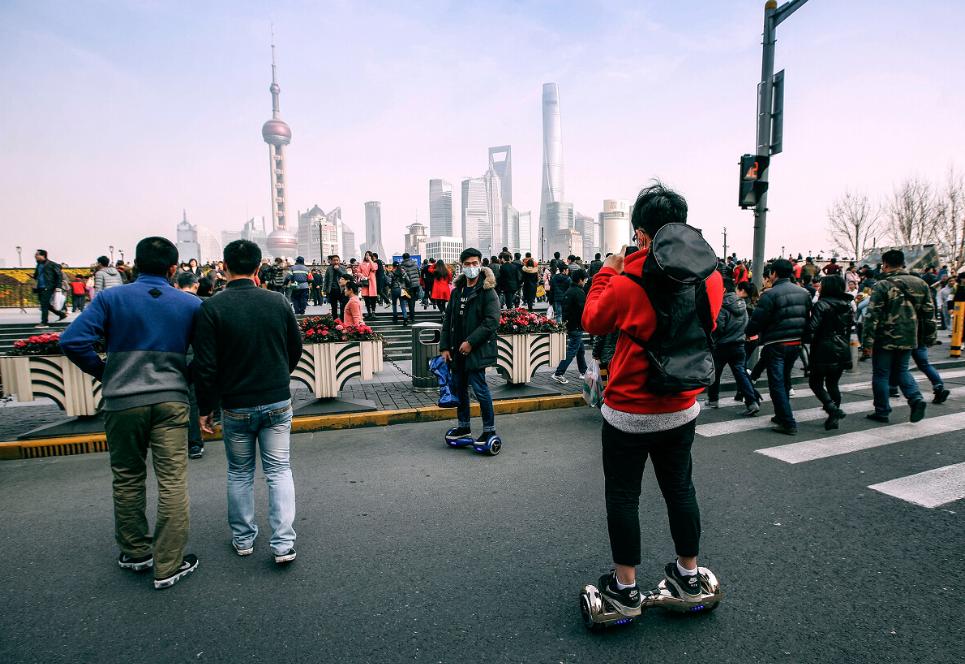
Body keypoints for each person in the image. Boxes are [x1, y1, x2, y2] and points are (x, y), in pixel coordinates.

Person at [582, 182, 724, 617]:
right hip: (682, 405)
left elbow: (592, 319)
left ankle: (624, 590)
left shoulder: (628, 279)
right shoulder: (710, 277)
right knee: (680, 489)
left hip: (629, 410)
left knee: (623, 496)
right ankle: (689, 573)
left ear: (640, 234)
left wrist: (608, 270)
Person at [60, 237, 202, 589]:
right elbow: (207, 355)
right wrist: (187, 377)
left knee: (127, 476)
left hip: (122, 401)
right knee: (172, 480)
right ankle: (169, 564)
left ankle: (136, 552)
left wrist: (104, 371)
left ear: (135, 265)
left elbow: (71, 341)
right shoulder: (191, 304)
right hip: (171, 400)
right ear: (174, 269)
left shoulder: (110, 298)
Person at [193, 240, 302, 564]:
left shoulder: (212, 308)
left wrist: (205, 408)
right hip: (276, 400)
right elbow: (294, 349)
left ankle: (243, 539)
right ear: (258, 268)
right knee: (279, 470)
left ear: (224, 267)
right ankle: (283, 545)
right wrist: (278, 375)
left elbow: (206, 365)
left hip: (235, 405)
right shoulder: (278, 302)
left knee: (239, 473)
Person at [861, 249, 934, 423]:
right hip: (910, 336)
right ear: (902, 263)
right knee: (902, 370)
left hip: (885, 338)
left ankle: (882, 410)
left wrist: (867, 343)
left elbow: (872, 316)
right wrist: (930, 337)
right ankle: (915, 398)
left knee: (881, 374)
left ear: (885, 264)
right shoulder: (920, 283)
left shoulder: (882, 285)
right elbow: (929, 312)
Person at [439, 248, 500, 444]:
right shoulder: (457, 292)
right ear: (462, 266)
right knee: (459, 389)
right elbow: (448, 321)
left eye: (475, 263)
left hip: (477, 350)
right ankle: (464, 426)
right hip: (457, 351)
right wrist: (445, 347)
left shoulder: (487, 291)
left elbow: (491, 321)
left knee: (480, 390)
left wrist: (471, 342)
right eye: (468, 264)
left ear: (480, 264)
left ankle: (489, 430)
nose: (472, 267)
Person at [745, 259, 811, 435]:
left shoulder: (770, 294)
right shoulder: (804, 293)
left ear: (774, 273)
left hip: (776, 344)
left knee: (777, 384)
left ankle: (788, 422)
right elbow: (807, 318)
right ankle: (781, 416)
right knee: (784, 380)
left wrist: (749, 332)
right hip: (795, 343)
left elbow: (757, 320)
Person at [705, 279, 760, 416]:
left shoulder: (723, 305)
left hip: (722, 346)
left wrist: (713, 339)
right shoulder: (743, 306)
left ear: (723, 290)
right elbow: (746, 325)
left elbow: (719, 327)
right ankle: (752, 401)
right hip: (739, 345)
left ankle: (713, 400)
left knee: (715, 373)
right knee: (740, 373)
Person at [805, 275, 853, 430]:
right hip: (842, 347)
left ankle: (832, 408)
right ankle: (834, 416)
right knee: (833, 383)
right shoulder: (847, 304)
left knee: (815, 382)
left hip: (823, 347)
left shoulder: (821, 305)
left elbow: (813, 328)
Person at [176, 271, 205, 459]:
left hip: (173, 357)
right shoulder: (201, 304)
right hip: (194, 357)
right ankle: (195, 443)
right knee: (193, 402)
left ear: (177, 285)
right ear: (196, 285)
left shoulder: (170, 303)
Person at [550, 269, 588, 383]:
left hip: (571, 325)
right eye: (584, 280)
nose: (585, 282)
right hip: (576, 325)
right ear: (580, 280)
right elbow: (583, 310)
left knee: (580, 349)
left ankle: (583, 371)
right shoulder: (579, 292)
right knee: (572, 351)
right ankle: (559, 373)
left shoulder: (570, 291)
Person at [32, 249, 67, 327]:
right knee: (45, 304)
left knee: (44, 305)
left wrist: (58, 287)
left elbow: (59, 275)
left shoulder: (52, 264)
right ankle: (61, 314)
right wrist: (34, 276)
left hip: (48, 287)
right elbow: (37, 275)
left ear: (43, 255)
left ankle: (44, 322)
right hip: (40, 287)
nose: (35, 256)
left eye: (37, 254)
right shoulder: (38, 264)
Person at [399, 253, 422, 323]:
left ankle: (412, 316)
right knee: (413, 300)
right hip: (416, 284)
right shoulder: (415, 264)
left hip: (409, 285)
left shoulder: (402, 266)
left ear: (403, 258)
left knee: (410, 300)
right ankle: (412, 314)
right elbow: (419, 273)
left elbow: (403, 277)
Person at [358, 252, 378, 317]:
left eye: (369, 255)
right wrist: (362, 276)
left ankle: (373, 312)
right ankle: (368, 312)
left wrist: (370, 260)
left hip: (372, 282)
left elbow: (374, 268)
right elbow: (358, 272)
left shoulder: (374, 263)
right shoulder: (361, 264)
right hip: (365, 282)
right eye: (366, 255)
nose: (367, 256)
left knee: (373, 298)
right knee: (366, 298)